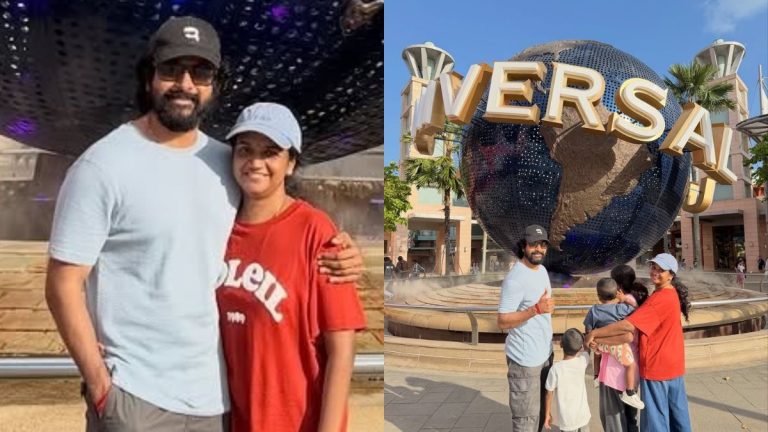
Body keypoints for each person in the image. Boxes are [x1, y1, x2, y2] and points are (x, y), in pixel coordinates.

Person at [45, 16, 363, 431]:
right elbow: (62, 283)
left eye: (201, 72)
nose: (186, 83)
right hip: (136, 399)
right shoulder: (102, 166)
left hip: (215, 401)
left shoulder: (221, 163)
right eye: (171, 69)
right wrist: (101, 386)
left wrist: (343, 251)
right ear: (148, 77)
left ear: (215, 84)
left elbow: (276, 219)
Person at [217, 102, 366, 431]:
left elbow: (341, 351)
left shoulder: (315, 231)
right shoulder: (217, 230)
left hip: (297, 421)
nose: (255, 162)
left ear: (290, 163)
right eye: (245, 150)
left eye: (270, 152)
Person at [585, 253, 692, 432]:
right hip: (673, 365)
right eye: (653, 267)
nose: (655, 272)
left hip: (657, 367)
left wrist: (594, 333)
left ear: (671, 275)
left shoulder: (660, 299)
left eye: (661, 270)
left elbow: (628, 326)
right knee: (677, 415)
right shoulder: (668, 292)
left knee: (656, 420)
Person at [497, 224, 555, 432]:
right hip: (524, 360)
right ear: (523, 246)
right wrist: (536, 309)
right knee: (525, 420)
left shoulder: (543, 271)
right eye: (533, 244)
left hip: (545, 353)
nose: (538, 249)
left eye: (542, 245)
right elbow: (502, 321)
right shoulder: (515, 279)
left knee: (541, 416)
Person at [583, 278, 643, 410]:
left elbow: (588, 329)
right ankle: (629, 392)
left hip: (600, 344)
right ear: (616, 293)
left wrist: (592, 340)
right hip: (617, 345)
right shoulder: (620, 308)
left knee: (597, 356)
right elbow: (637, 310)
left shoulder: (593, 310)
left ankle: (596, 376)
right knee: (631, 365)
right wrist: (624, 299)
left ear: (598, 296)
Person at [543, 328, 591, 432]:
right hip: (583, 416)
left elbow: (549, 393)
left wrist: (547, 414)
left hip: (567, 420)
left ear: (561, 345)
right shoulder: (582, 362)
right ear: (580, 348)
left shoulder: (556, 369)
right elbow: (587, 350)